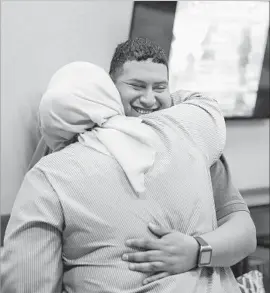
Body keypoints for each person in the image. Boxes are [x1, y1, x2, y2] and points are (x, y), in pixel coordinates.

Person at [26, 37, 256, 285]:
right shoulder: (71, 142)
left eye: (160, 88)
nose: (149, 100)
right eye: (137, 86)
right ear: (110, 88)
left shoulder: (192, 146)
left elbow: (244, 234)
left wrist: (196, 250)